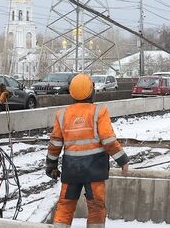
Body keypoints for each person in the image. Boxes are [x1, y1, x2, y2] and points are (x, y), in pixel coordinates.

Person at [46, 74, 129, 228]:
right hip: (95, 169)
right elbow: (108, 140)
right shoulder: (99, 111)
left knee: (65, 205)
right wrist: (122, 160)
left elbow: (55, 143)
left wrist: (51, 165)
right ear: (92, 91)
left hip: (71, 169)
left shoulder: (62, 114)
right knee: (96, 207)